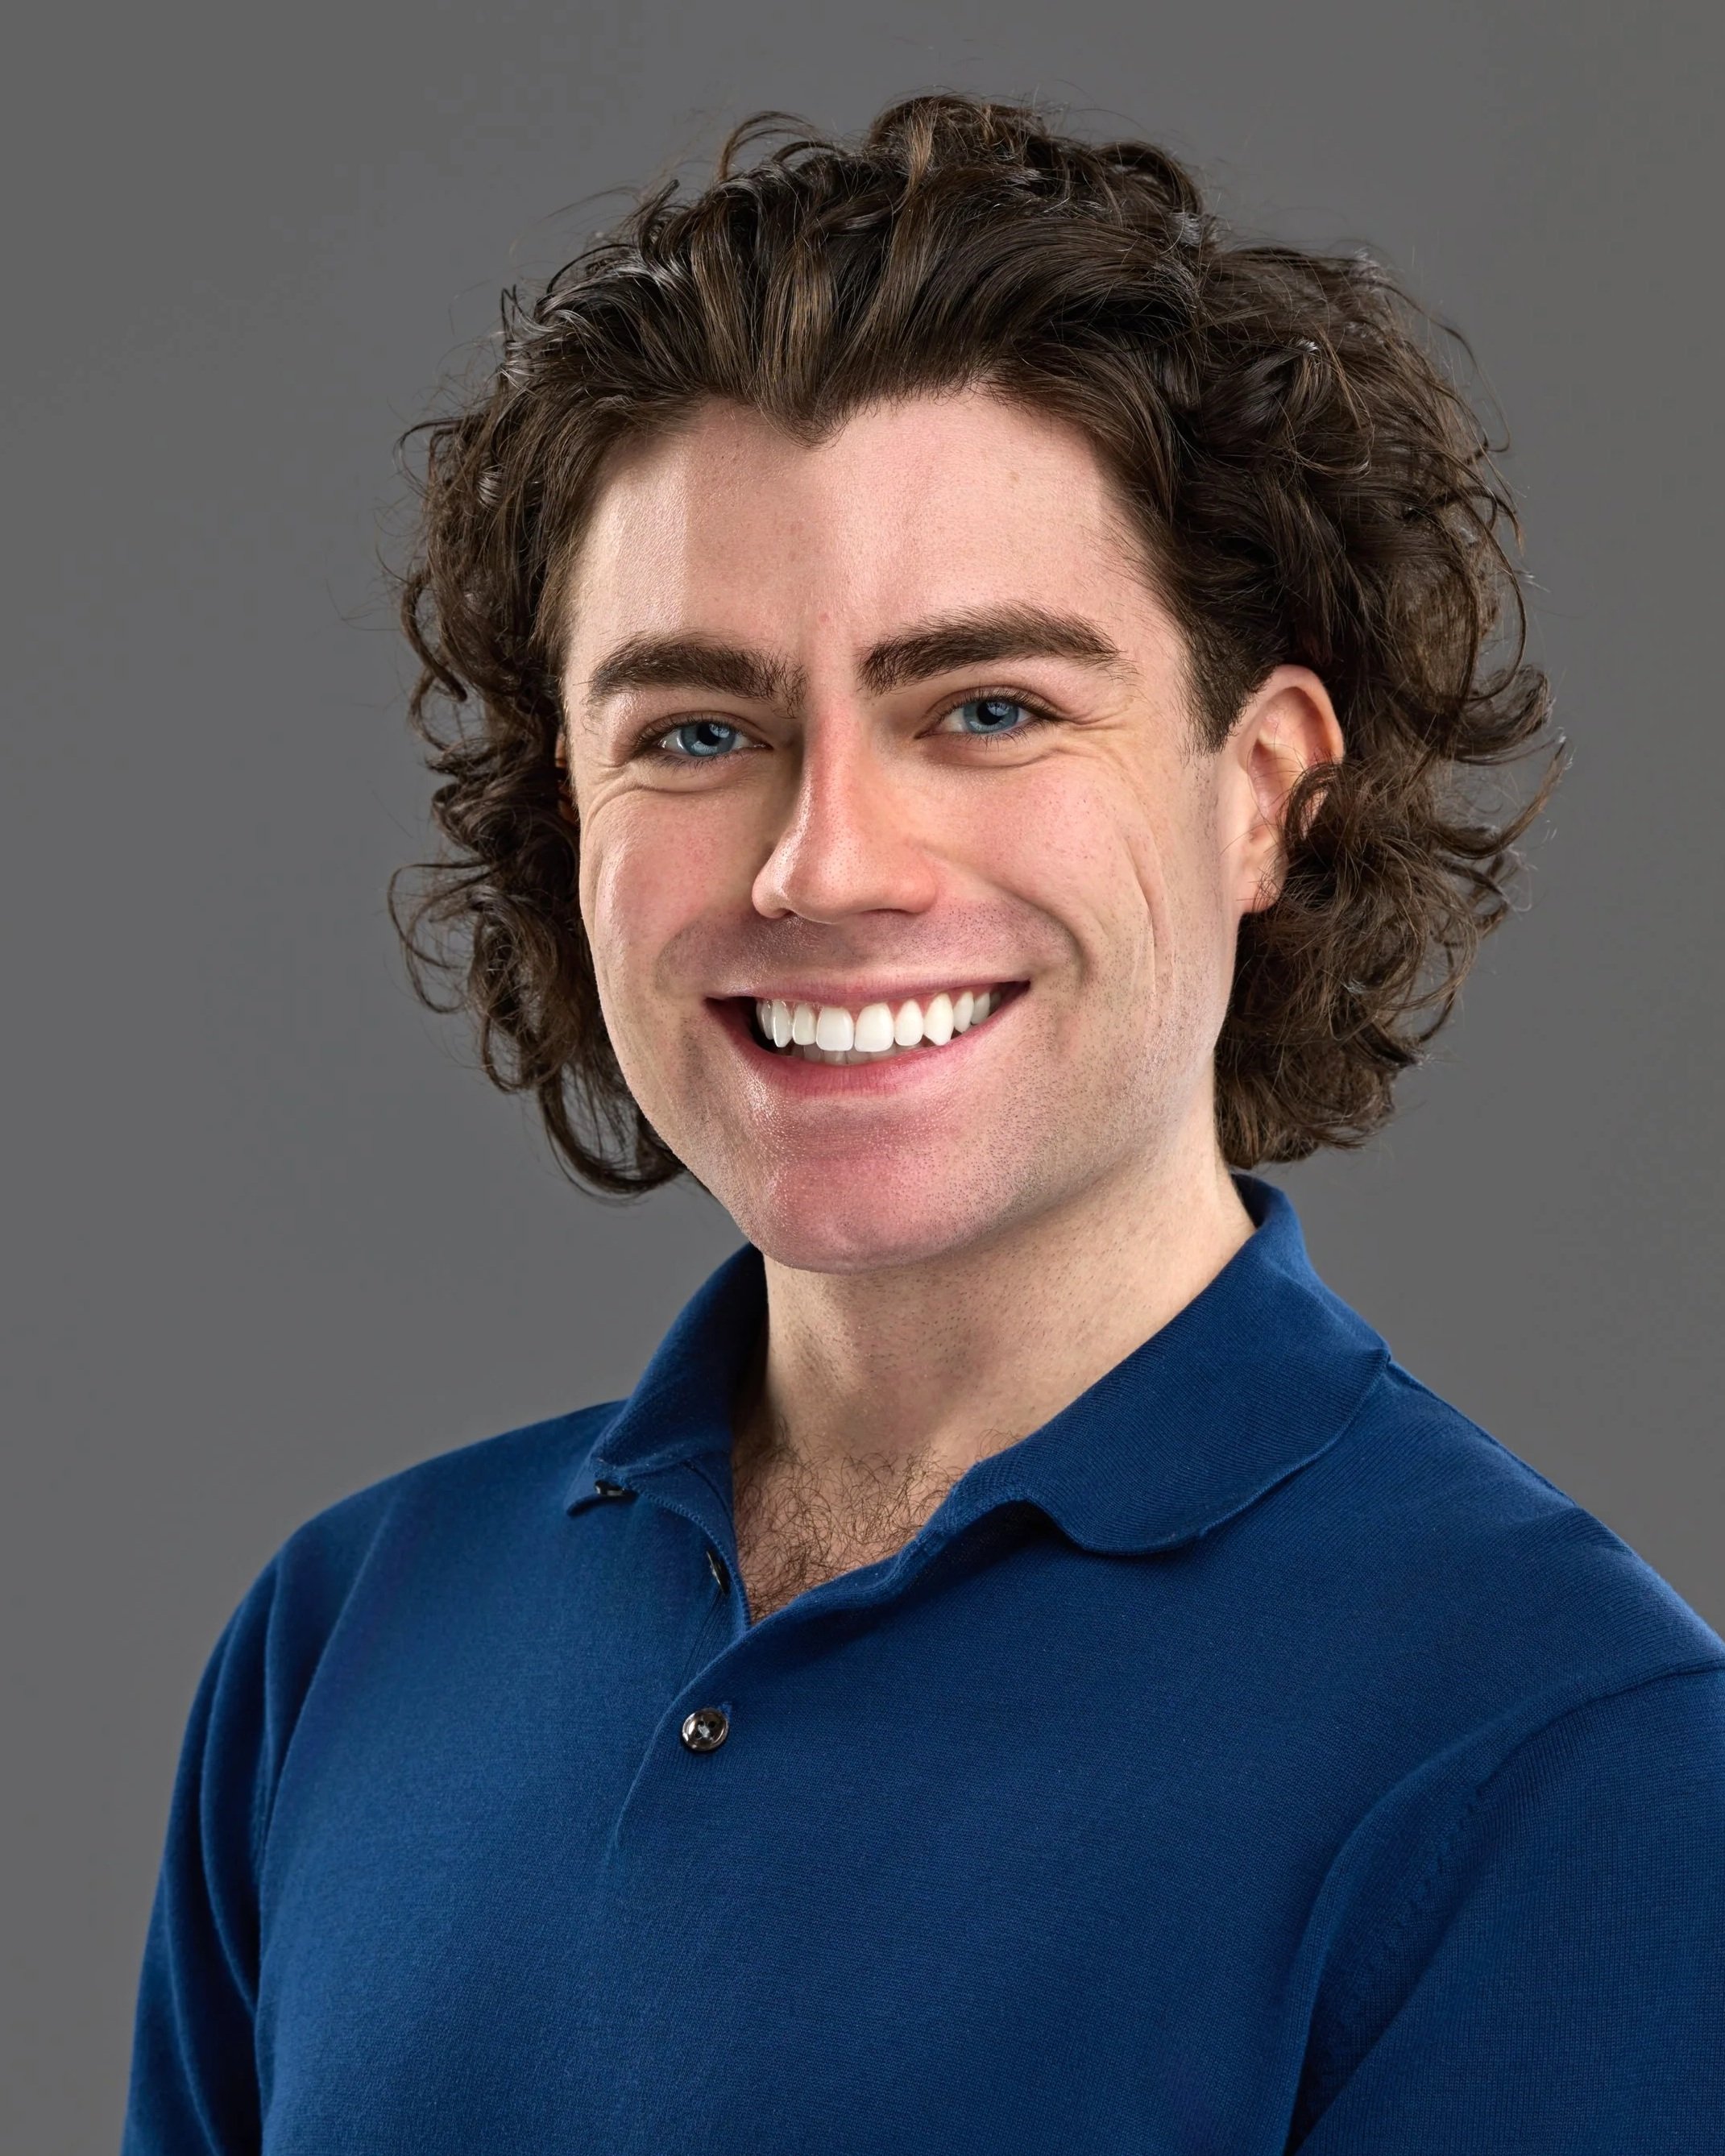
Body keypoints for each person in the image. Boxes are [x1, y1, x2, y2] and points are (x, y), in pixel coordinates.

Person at [122, 95, 1725, 2154]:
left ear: (1264, 789)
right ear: (569, 816)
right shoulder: (347, 1635)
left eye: (985, 708)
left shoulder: (1570, 1761)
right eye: (699, 731)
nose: (820, 864)